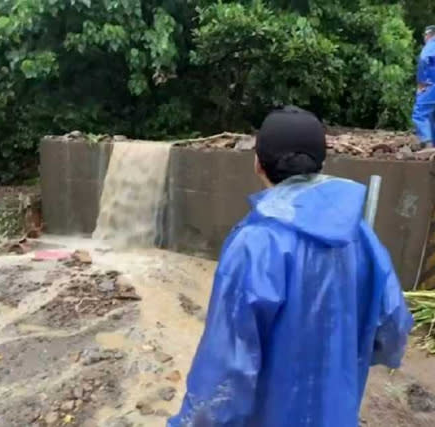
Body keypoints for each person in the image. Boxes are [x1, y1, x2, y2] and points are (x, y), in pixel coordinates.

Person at [168, 106, 414, 427]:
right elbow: (393, 326)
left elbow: (227, 369)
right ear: (320, 162)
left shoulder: (255, 243)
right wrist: (342, 367)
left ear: (258, 164)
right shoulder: (360, 234)